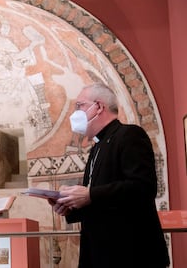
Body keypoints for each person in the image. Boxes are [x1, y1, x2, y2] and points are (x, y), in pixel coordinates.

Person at [50, 83, 170, 268]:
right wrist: (70, 206)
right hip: (100, 252)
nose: (75, 113)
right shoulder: (97, 147)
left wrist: (89, 195)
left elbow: (143, 188)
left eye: (79, 105)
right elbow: (101, 202)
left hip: (131, 253)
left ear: (98, 107)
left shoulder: (129, 135)